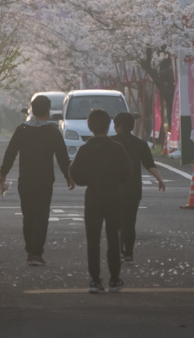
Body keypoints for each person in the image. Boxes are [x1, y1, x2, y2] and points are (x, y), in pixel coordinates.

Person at [0, 94, 74, 265]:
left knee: (28, 215)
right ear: (48, 110)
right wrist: (69, 176)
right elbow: (62, 156)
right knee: (41, 215)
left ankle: (30, 251)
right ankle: (36, 253)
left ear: (31, 109)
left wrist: (3, 174)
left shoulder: (22, 130)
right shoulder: (53, 132)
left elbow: (10, 153)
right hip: (45, 180)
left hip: (25, 179)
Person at [69, 108, 132, 294]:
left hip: (93, 196)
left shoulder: (85, 149)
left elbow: (75, 173)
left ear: (89, 127)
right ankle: (114, 279)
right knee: (113, 238)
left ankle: (95, 281)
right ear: (109, 125)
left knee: (93, 240)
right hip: (113, 195)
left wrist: (87, 181)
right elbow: (127, 171)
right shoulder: (117, 148)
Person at [113, 111, 165, 262]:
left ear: (117, 127)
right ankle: (128, 253)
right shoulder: (140, 144)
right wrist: (160, 179)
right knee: (129, 222)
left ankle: (117, 251)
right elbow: (149, 164)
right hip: (133, 189)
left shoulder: (110, 142)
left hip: (112, 189)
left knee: (115, 222)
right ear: (132, 126)